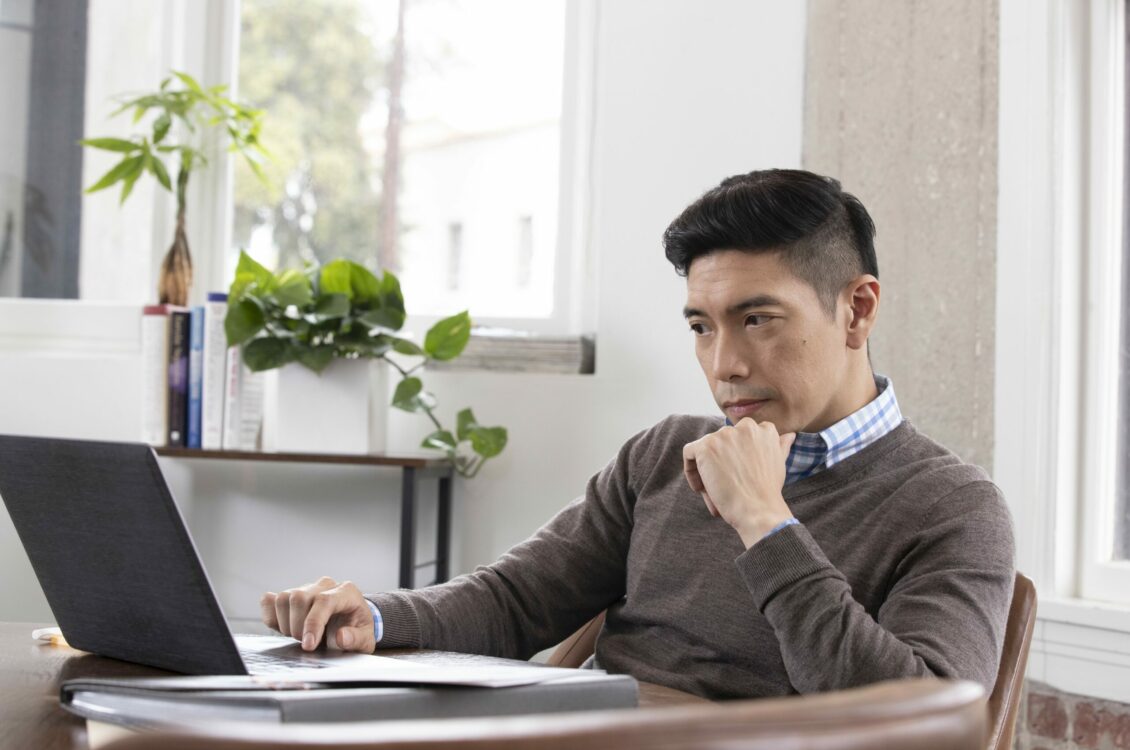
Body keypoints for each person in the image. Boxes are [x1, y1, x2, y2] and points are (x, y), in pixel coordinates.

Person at [260, 168, 1015, 700]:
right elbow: (519, 599)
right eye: (700, 325)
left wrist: (765, 519)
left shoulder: (953, 507)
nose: (724, 366)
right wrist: (379, 617)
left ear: (857, 310)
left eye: (757, 319)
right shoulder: (663, 454)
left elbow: (922, 722)